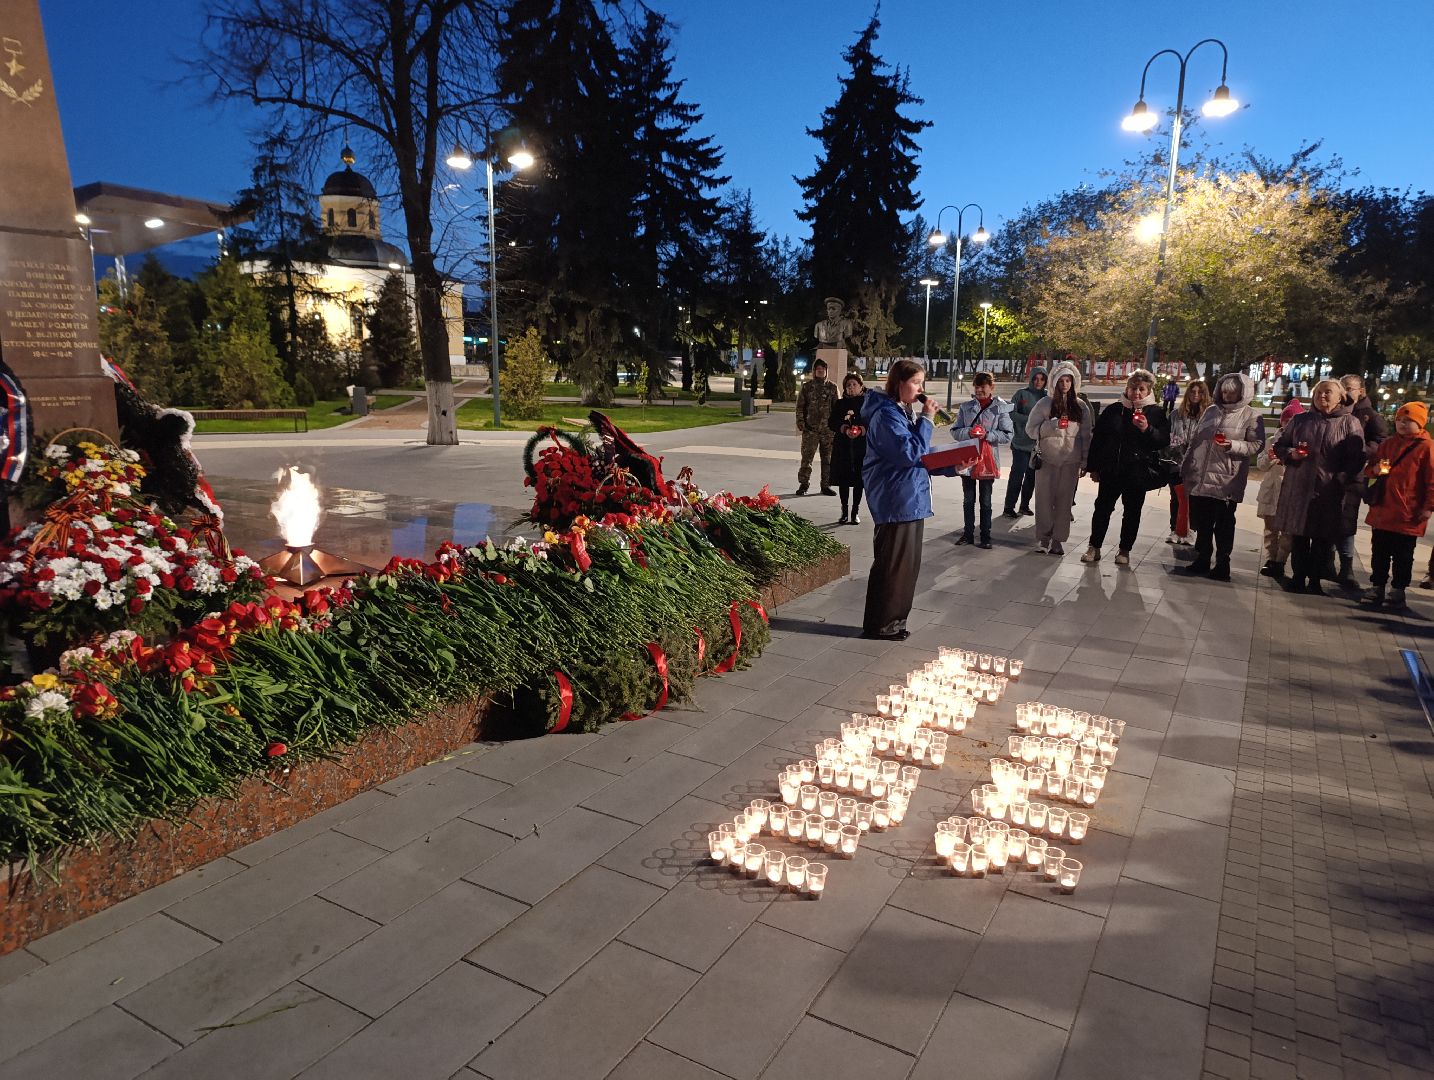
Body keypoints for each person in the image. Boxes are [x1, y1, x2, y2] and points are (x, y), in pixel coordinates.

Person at [859, 360, 938, 640]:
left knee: (906, 568)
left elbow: (920, 455)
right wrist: (927, 420)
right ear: (899, 383)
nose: (920, 389)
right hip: (896, 500)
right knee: (893, 566)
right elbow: (909, 454)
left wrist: (953, 464)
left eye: (921, 383)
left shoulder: (901, 411)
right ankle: (882, 625)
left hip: (910, 499)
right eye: (916, 382)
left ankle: (894, 622)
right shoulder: (886, 415)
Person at [1272, 379, 1366, 594]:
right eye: (1318, 392)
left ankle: (1315, 581)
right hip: (1300, 487)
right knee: (1300, 536)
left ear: (1340, 397)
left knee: (1322, 538)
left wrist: (1340, 479)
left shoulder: (1349, 423)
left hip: (1329, 491)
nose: (1322, 396)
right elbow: (1280, 445)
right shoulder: (1300, 420)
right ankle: (1298, 578)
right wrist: (1291, 454)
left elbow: (1357, 458)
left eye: (1328, 392)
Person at [1177, 373, 1267, 581]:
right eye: (1224, 391)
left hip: (1227, 478)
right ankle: (1202, 558)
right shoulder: (1211, 410)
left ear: (1242, 393)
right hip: (1202, 476)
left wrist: (1232, 445)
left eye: (1232, 392)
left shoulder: (1251, 415)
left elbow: (1256, 444)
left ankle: (1222, 562)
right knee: (1204, 521)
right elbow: (1196, 440)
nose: (1227, 396)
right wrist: (1187, 466)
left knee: (1224, 523)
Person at [1081, 370, 1170, 566]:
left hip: (1137, 472)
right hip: (1111, 470)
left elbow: (1163, 440)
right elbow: (1098, 439)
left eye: (1141, 389)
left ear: (1148, 391)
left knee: (1132, 512)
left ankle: (1124, 550)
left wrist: (1147, 429)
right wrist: (1093, 467)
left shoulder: (1155, 413)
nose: (1136, 393)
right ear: (1127, 389)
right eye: (1133, 388)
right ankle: (1094, 546)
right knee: (1102, 509)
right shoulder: (1114, 410)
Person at [1359, 401, 1434, 609]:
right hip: (1383, 509)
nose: (1402, 424)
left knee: (1403, 555)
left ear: (1420, 423)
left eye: (1408, 420)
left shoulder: (1427, 447)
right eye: (1399, 419)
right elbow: (1370, 469)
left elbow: (1432, 481)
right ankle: (1377, 586)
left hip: (1408, 513)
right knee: (1380, 552)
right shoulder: (1389, 444)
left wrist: (1428, 507)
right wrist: (1376, 470)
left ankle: (1398, 590)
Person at [1025, 360, 1090, 556]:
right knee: (1044, 500)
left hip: (1070, 461)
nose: (1065, 384)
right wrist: (1051, 426)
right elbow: (1030, 430)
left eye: (1068, 380)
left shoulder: (1081, 407)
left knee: (1064, 502)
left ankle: (1058, 540)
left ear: (1073, 382)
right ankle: (1043, 538)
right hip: (1047, 459)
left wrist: (1085, 460)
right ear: (1054, 382)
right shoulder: (1044, 404)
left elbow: (1086, 436)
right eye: (1061, 380)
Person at [1332, 374, 1390, 588]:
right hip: (1330, 473)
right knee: (1327, 519)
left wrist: (1360, 451)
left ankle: (1346, 568)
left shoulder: (1370, 416)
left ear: (1361, 391)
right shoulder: (1334, 410)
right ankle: (1325, 564)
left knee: (1346, 521)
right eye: (1342, 387)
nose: (1345, 391)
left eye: (1350, 388)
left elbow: (1381, 441)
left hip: (1354, 475)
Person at [950, 372, 1014, 549]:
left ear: (991, 387)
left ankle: (986, 536)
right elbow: (955, 431)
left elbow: (1008, 434)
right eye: (976, 387)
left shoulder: (1000, 408)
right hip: (968, 459)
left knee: (985, 501)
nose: (979, 390)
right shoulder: (966, 407)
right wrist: (968, 432)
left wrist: (988, 434)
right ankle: (968, 534)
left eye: (983, 387)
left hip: (988, 460)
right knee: (968, 499)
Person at [1256, 400, 1305, 578]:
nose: (1288, 423)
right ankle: (1270, 559)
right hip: (1271, 490)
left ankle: (1280, 561)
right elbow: (1261, 465)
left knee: (1287, 531)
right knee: (1270, 529)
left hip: (1290, 492)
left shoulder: (1301, 444)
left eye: (1292, 420)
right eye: (1286, 420)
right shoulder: (1272, 441)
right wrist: (1269, 458)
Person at [1165, 379, 1209, 545]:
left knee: (1193, 499)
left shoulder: (1208, 416)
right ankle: (1175, 529)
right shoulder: (1176, 414)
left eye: (1199, 392)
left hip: (1197, 464)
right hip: (1176, 462)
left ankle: (1191, 530)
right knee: (1176, 497)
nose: (1195, 395)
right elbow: (1168, 436)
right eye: (1192, 391)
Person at [1004, 366, 1047, 519]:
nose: (1038, 382)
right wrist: (1029, 420)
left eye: (1042, 379)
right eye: (1035, 378)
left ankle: (1024, 506)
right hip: (1020, 444)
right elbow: (1011, 413)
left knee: (1031, 477)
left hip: (1037, 445)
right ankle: (1009, 507)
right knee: (1017, 475)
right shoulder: (1021, 394)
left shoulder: (1047, 397)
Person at [829, 371, 868, 525]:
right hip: (843, 446)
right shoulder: (840, 404)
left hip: (860, 446)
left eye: (854, 384)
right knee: (843, 479)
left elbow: (873, 421)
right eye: (848, 385)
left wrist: (861, 430)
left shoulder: (866, 403)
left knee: (859, 480)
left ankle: (855, 512)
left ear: (861, 386)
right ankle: (844, 512)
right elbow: (832, 422)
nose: (851, 387)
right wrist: (845, 429)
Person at [795, 359, 837, 496]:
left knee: (828, 460)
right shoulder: (807, 387)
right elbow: (800, 406)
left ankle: (826, 485)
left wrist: (836, 426)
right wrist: (801, 423)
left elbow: (837, 408)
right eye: (818, 369)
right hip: (810, 430)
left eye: (823, 369)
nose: (820, 371)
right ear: (814, 371)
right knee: (807, 460)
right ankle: (804, 484)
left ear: (826, 371)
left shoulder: (832, 387)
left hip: (827, 431)